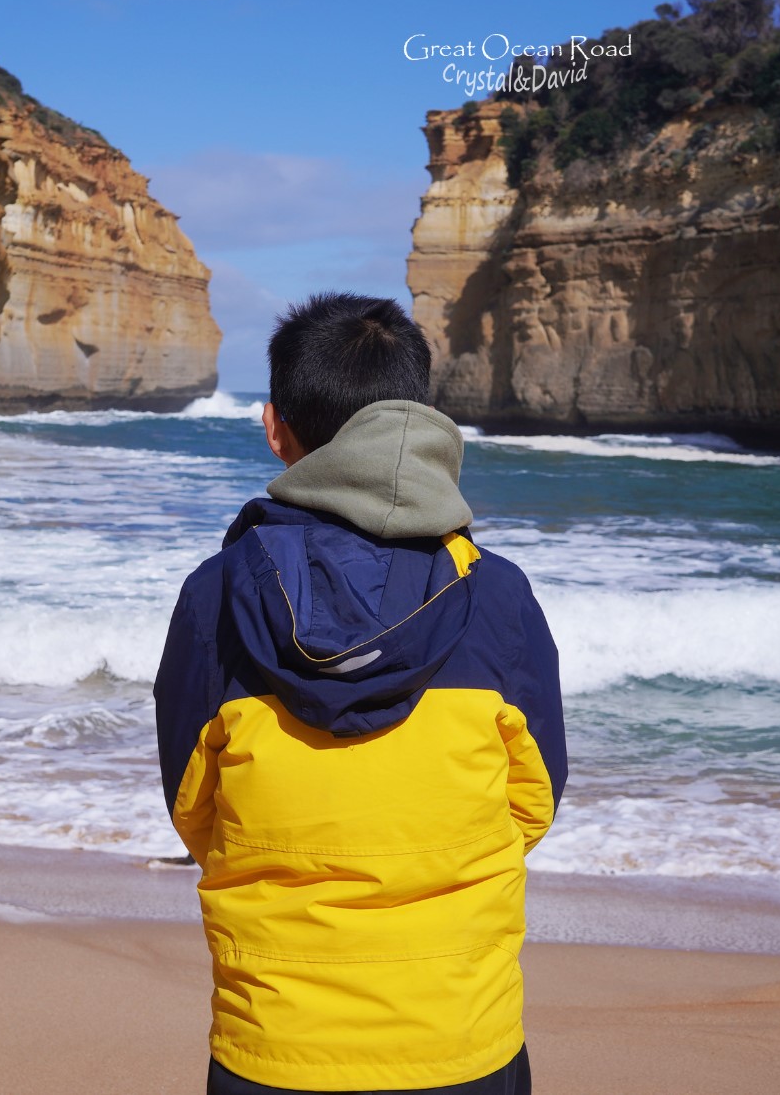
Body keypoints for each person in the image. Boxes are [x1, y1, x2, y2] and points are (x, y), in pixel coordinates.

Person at [155, 292, 567, 1095]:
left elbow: (194, 808)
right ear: (417, 419)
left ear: (275, 427)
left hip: (274, 1045)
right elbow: (533, 800)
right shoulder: (499, 597)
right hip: (461, 1038)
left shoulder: (216, 598)